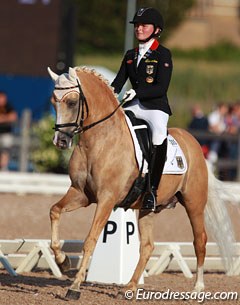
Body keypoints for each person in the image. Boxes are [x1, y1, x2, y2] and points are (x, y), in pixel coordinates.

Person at [111, 7, 173, 211]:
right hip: (133, 104)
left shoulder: (163, 54)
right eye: (137, 25)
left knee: (158, 136)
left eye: (143, 26)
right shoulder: (130, 55)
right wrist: (110, 96)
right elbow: (118, 82)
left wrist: (137, 94)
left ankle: (152, 191)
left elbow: (161, 87)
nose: (138, 29)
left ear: (156, 30)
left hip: (155, 106)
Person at [0, 91, 18, 170]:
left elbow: (14, 117)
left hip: (6, 133)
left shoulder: (8, 106)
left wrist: (3, 118)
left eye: (3, 98)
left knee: (6, 147)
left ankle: (4, 167)